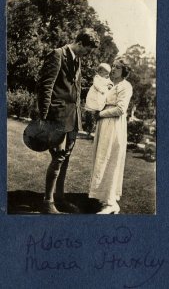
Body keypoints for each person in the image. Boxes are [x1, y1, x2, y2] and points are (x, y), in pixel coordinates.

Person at [36, 28, 100, 214]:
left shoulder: (77, 60)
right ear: (80, 43)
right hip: (57, 118)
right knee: (58, 158)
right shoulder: (57, 54)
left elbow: (76, 92)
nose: (88, 54)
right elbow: (45, 87)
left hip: (72, 119)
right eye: (87, 49)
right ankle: (47, 203)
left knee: (65, 158)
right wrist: (45, 119)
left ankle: (59, 198)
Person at [89, 57, 133, 214]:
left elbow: (121, 109)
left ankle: (111, 203)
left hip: (114, 126)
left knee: (111, 159)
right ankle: (103, 197)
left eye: (118, 68)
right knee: (102, 158)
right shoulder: (109, 84)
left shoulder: (126, 86)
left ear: (124, 71)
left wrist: (101, 113)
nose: (113, 69)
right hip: (104, 125)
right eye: (113, 66)